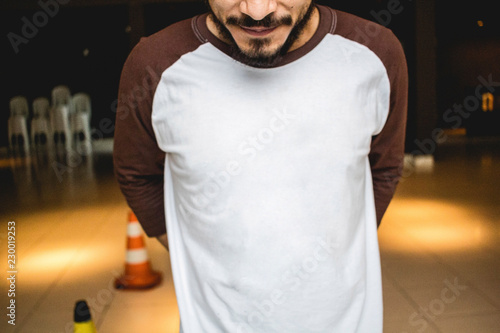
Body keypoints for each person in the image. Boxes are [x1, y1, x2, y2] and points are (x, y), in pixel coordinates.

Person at [113, 0, 408, 331]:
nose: (257, 11)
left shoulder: (376, 53)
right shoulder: (154, 65)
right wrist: (193, 250)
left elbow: (385, 167)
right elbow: (136, 174)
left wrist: (337, 246)